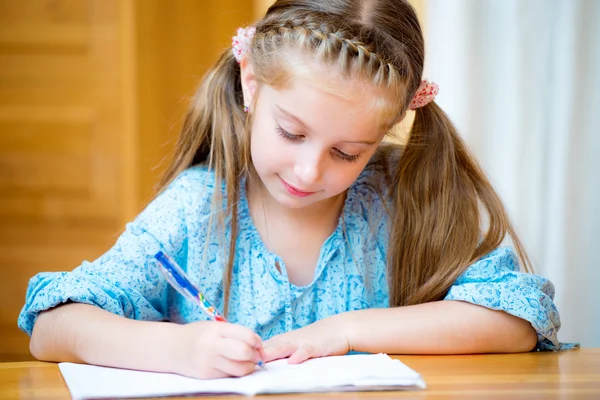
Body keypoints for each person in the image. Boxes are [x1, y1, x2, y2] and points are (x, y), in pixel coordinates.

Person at [18, 0, 572, 380]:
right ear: (251, 84)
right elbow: (53, 326)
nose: (309, 172)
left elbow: (517, 319)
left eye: (346, 152)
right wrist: (177, 349)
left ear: (387, 130)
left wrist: (346, 330)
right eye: (292, 132)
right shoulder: (198, 208)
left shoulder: (404, 198)